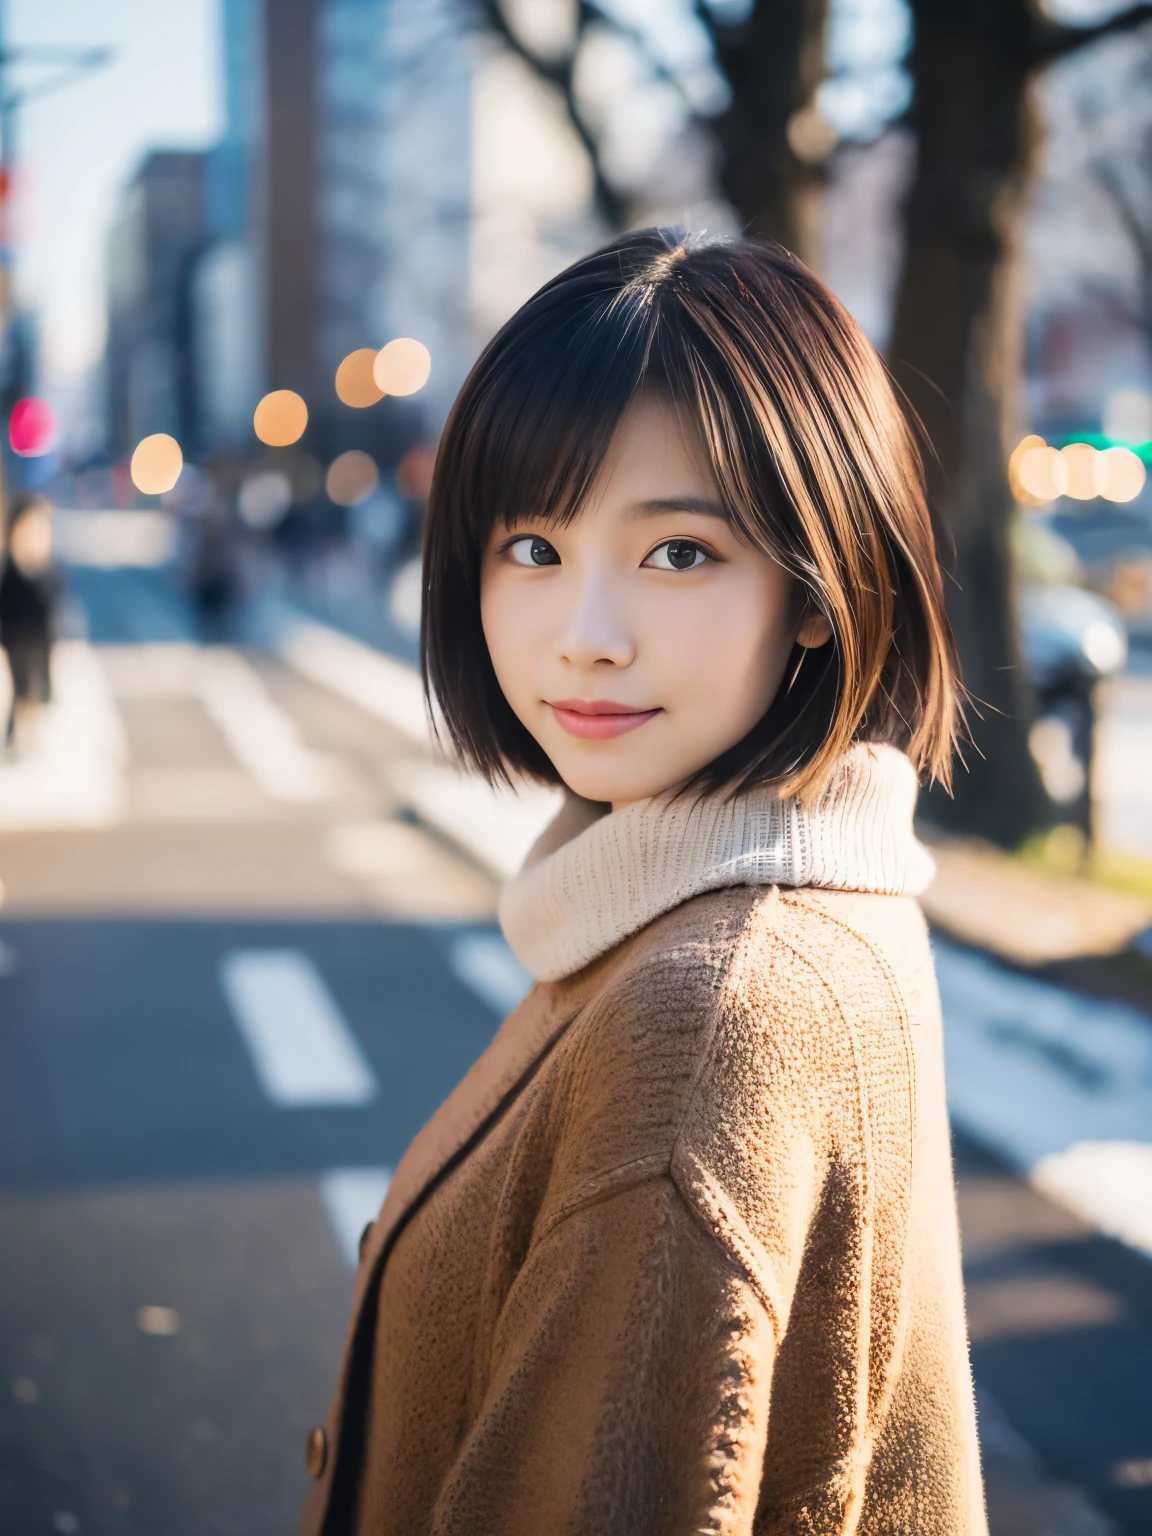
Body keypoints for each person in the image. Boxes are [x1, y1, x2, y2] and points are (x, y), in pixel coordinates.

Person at [301, 230, 985, 1535]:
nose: (586, 637)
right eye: (533, 549)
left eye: (678, 553)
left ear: (818, 590)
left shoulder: (712, 1015)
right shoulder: (781, 894)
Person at [0, 493, 59, 752]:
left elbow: (54, 603)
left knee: (34, 687)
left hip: (39, 637)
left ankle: (24, 735)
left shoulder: (49, 570)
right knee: (21, 685)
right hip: (15, 635)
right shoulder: (10, 569)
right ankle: (17, 735)